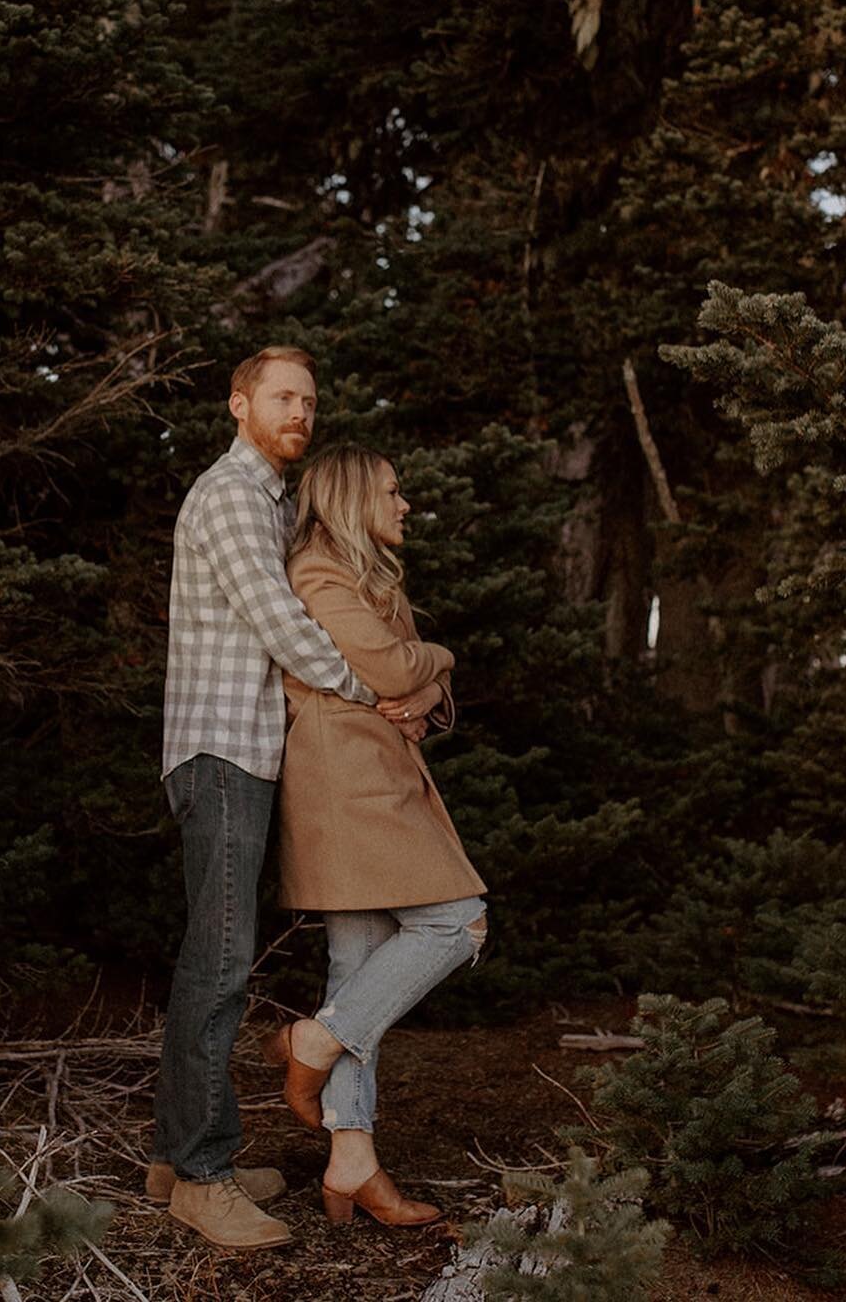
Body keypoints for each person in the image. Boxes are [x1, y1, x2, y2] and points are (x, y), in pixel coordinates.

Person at [149, 348, 438, 1250]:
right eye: (283, 397)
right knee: (222, 962)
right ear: (238, 405)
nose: (300, 413)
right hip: (222, 751)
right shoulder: (233, 495)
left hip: (250, 757)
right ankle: (201, 1179)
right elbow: (280, 624)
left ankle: (174, 1157)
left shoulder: (274, 502)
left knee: (215, 953)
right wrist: (372, 694)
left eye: (309, 401)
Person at [266, 444, 487, 1228]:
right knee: (458, 919)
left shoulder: (367, 576)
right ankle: (313, 1039)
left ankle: (351, 1157)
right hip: (347, 783)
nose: (405, 506)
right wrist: (439, 660)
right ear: (356, 497)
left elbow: (415, 685)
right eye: (393, 492)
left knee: (357, 964)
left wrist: (429, 683)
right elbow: (396, 671)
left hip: (371, 773)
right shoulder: (321, 572)